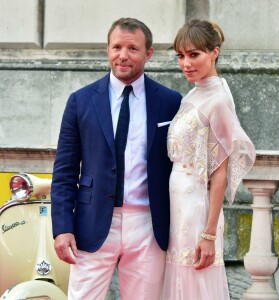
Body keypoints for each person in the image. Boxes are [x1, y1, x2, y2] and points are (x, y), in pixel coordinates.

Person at [51, 18, 182, 300]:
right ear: (108, 49)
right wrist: (62, 228)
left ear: (148, 53)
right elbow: (64, 170)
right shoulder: (81, 100)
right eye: (117, 47)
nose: (123, 55)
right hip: (92, 223)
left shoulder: (170, 102)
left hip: (149, 225)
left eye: (132, 48)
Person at [163, 19, 256, 299]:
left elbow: (219, 172)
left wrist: (209, 233)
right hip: (177, 203)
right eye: (181, 55)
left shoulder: (218, 100)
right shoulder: (194, 93)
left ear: (214, 52)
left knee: (194, 283)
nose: (186, 63)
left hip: (196, 209)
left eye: (194, 55)